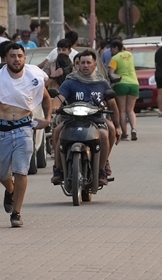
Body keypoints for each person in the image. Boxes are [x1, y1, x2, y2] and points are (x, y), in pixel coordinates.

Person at [0, 43, 51, 228]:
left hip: (24, 128)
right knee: (2, 174)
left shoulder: (34, 78)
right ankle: (10, 190)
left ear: (25, 58)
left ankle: (16, 213)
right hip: (2, 130)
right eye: (13, 56)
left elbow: (47, 98)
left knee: (20, 171)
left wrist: (47, 118)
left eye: (20, 56)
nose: (17, 59)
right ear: (6, 58)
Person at [50, 50, 119, 187]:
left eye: (88, 63)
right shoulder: (70, 82)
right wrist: (55, 106)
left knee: (105, 135)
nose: (85, 66)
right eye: (82, 63)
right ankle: (58, 169)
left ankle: (101, 170)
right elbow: (59, 99)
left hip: (96, 119)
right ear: (78, 65)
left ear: (95, 65)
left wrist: (117, 126)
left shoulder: (103, 83)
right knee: (58, 131)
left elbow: (112, 104)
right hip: (72, 119)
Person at [108, 40, 140, 141]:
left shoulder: (114, 58)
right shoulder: (130, 55)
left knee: (122, 110)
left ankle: (125, 134)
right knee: (130, 110)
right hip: (134, 83)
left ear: (116, 48)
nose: (110, 51)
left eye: (111, 48)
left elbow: (111, 74)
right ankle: (134, 129)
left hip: (121, 84)